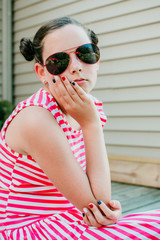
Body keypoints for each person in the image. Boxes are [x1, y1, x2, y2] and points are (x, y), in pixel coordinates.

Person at [0, 16, 159, 240]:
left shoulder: (87, 107)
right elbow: (98, 204)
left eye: (85, 54)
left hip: (67, 221)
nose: (76, 67)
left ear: (98, 59)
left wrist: (105, 209)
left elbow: (100, 209)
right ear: (42, 72)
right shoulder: (36, 118)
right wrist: (91, 124)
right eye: (58, 61)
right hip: (27, 230)